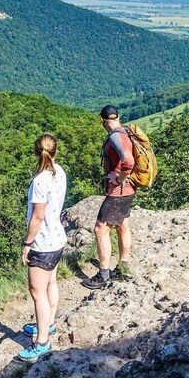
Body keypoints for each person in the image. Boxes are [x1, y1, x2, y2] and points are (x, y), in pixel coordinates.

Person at [18, 134, 67, 361]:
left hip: (42, 243)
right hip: (57, 238)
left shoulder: (40, 181)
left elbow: (37, 218)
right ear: (55, 152)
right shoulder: (60, 172)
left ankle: (42, 343)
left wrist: (27, 244)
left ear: (36, 153)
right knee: (51, 283)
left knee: (37, 293)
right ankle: (49, 325)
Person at [83, 105, 135, 290]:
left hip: (118, 191)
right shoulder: (126, 131)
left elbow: (128, 161)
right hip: (129, 190)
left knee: (100, 229)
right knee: (122, 226)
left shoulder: (115, 136)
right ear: (118, 116)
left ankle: (103, 275)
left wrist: (118, 178)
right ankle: (123, 267)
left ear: (102, 120)